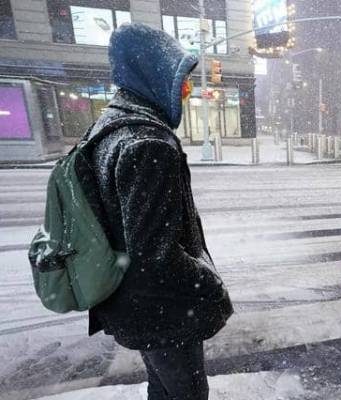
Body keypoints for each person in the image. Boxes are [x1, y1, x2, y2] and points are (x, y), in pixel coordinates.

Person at [84, 23, 233, 400]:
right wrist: (210, 284)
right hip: (162, 312)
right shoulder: (148, 144)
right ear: (152, 74)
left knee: (162, 389)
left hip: (130, 302)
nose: (185, 91)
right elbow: (154, 255)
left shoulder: (109, 128)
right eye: (179, 79)